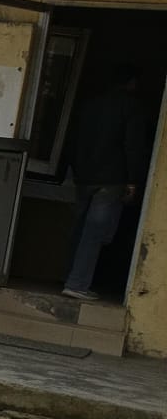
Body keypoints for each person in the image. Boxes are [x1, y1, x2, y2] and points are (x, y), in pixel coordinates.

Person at [60, 71, 151, 300]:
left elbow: (72, 138)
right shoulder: (131, 107)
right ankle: (77, 283)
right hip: (112, 179)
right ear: (131, 83)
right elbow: (133, 145)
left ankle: (69, 277)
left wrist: (72, 170)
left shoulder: (90, 106)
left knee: (80, 228)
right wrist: (134, 180)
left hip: (84, 176)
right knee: (96, 232)